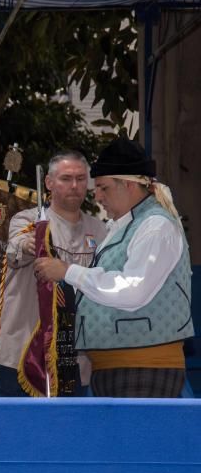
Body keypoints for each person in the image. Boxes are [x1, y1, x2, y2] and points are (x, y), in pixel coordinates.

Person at [34, 138, 193, 398]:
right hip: (120, 367)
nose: (96, 196)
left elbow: (133, 290)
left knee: (134, 439)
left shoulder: (155, 226)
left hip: (143, 367)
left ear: (128, 185)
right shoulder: (125, 225)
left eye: (104, 188)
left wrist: (69, 272)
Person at [0, 150, 107, 396]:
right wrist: (33, 243)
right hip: (21, 350)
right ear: (49, 182)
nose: (75, 185)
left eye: (81, 179)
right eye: (66, 179)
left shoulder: (99, 230)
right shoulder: (28, 220)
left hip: (74, 354)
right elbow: (16, 249)